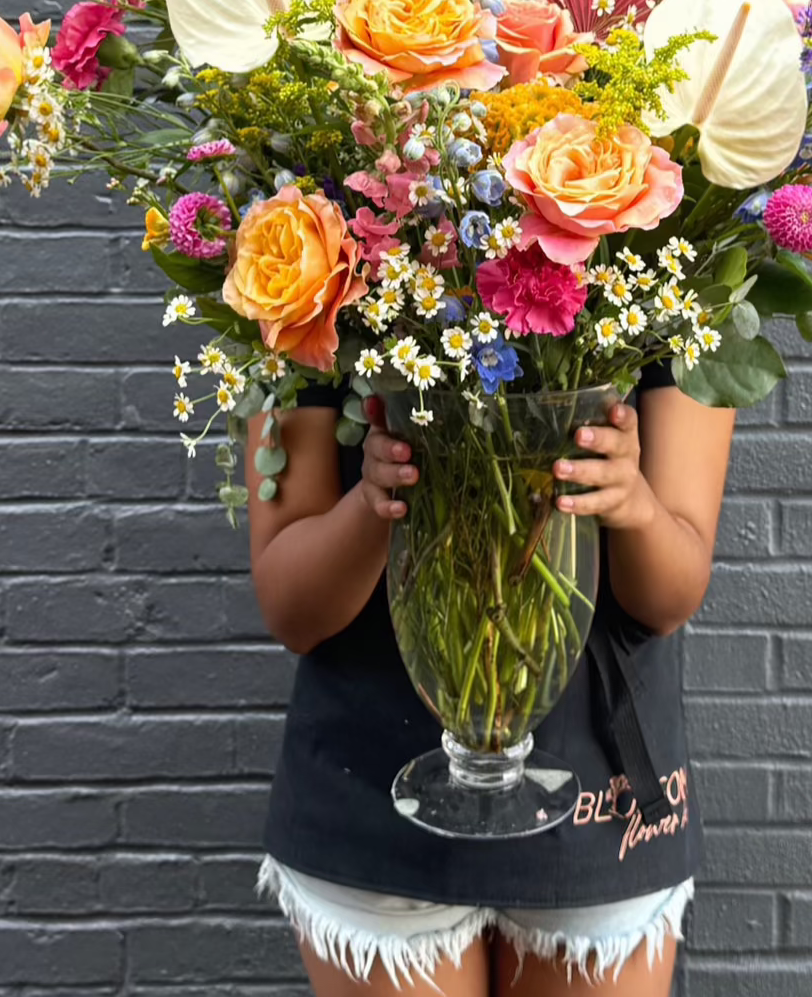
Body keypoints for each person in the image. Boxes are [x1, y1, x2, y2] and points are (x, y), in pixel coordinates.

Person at [245, 362, 736, 996]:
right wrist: (379, 498)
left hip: (595, 793)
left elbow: (669, 597)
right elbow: (293, 609)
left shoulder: (680, 280)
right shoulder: (299, 276)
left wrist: (632, 503)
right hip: (374, 798)